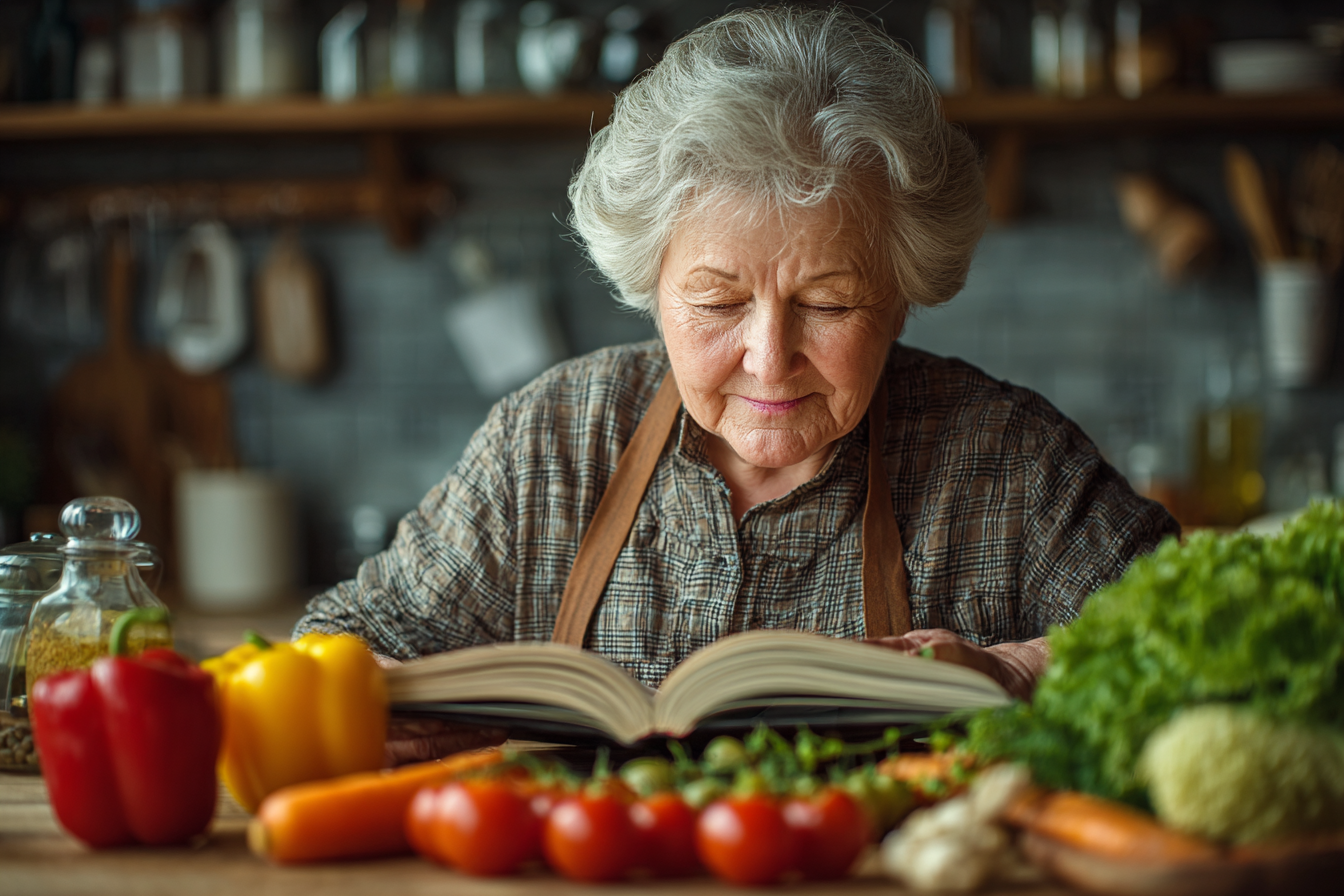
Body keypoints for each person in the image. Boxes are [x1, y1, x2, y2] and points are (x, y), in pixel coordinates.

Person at [294, 5, 1178, 763]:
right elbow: (339, 643)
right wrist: (366, 702)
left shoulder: (1006, 461)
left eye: (827, 303)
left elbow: (1210, 640)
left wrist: (1021, 669)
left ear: (903, 293)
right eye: (718, 302)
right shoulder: (549, 441)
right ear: (652, 288)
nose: (768, 356)